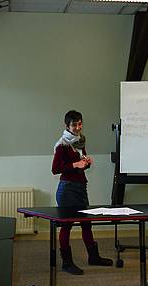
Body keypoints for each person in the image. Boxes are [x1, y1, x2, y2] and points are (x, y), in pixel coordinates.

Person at [52, 110, 112, 275]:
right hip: (67, 189)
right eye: (74, 124)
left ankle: (93, 257)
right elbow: (55, 169)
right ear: (67, 126)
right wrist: (75, 165)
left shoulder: (80, 141)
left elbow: (81, 163)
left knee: (86, 222)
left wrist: (86, 162)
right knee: (67, 225)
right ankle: (67, 263)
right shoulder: (62, 144)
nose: (78, 127)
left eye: (80, 123)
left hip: (80, 187)